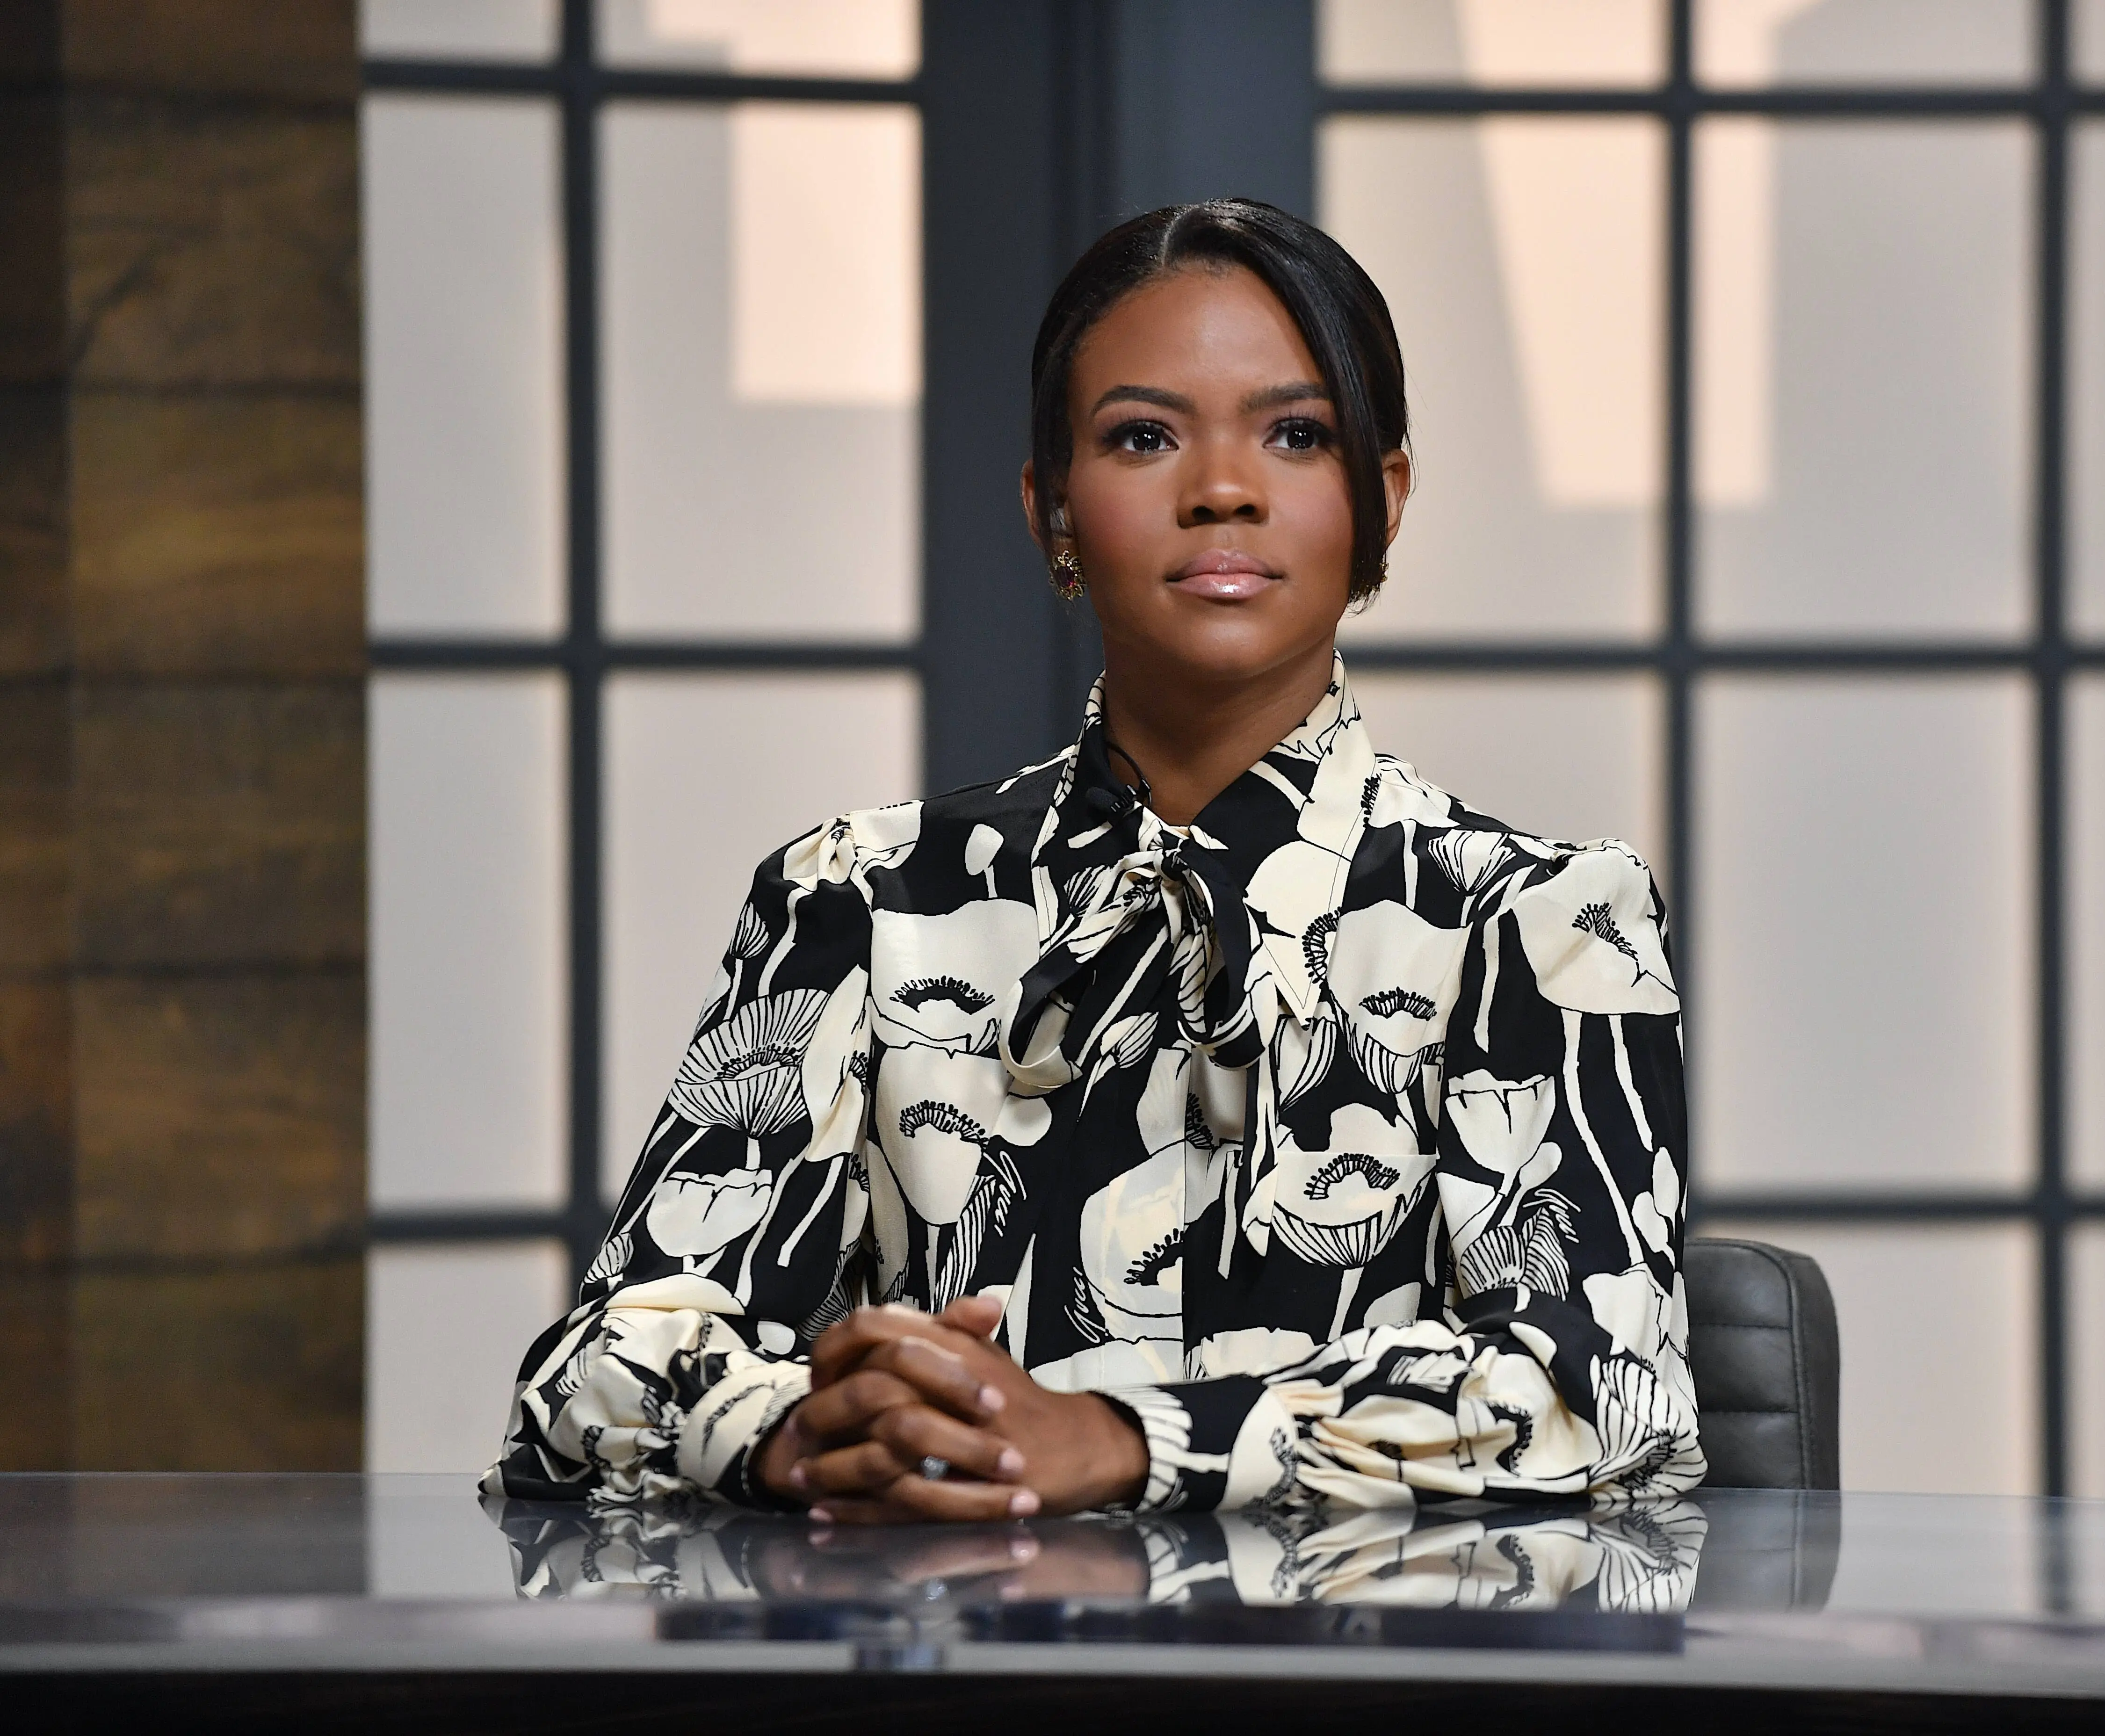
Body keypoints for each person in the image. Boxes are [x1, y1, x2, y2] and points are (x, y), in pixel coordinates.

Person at [483, 199, 1700, 1523]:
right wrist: (804, 1433)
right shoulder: (856, 900)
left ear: (1383, 501)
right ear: (1052, 509)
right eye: (1144, 437)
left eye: (1296, 435)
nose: (1223, 488)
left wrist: (1118, 1439)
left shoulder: (1543, 920)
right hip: (947, 1633)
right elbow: (596, 1365)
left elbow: (1599, 1385)